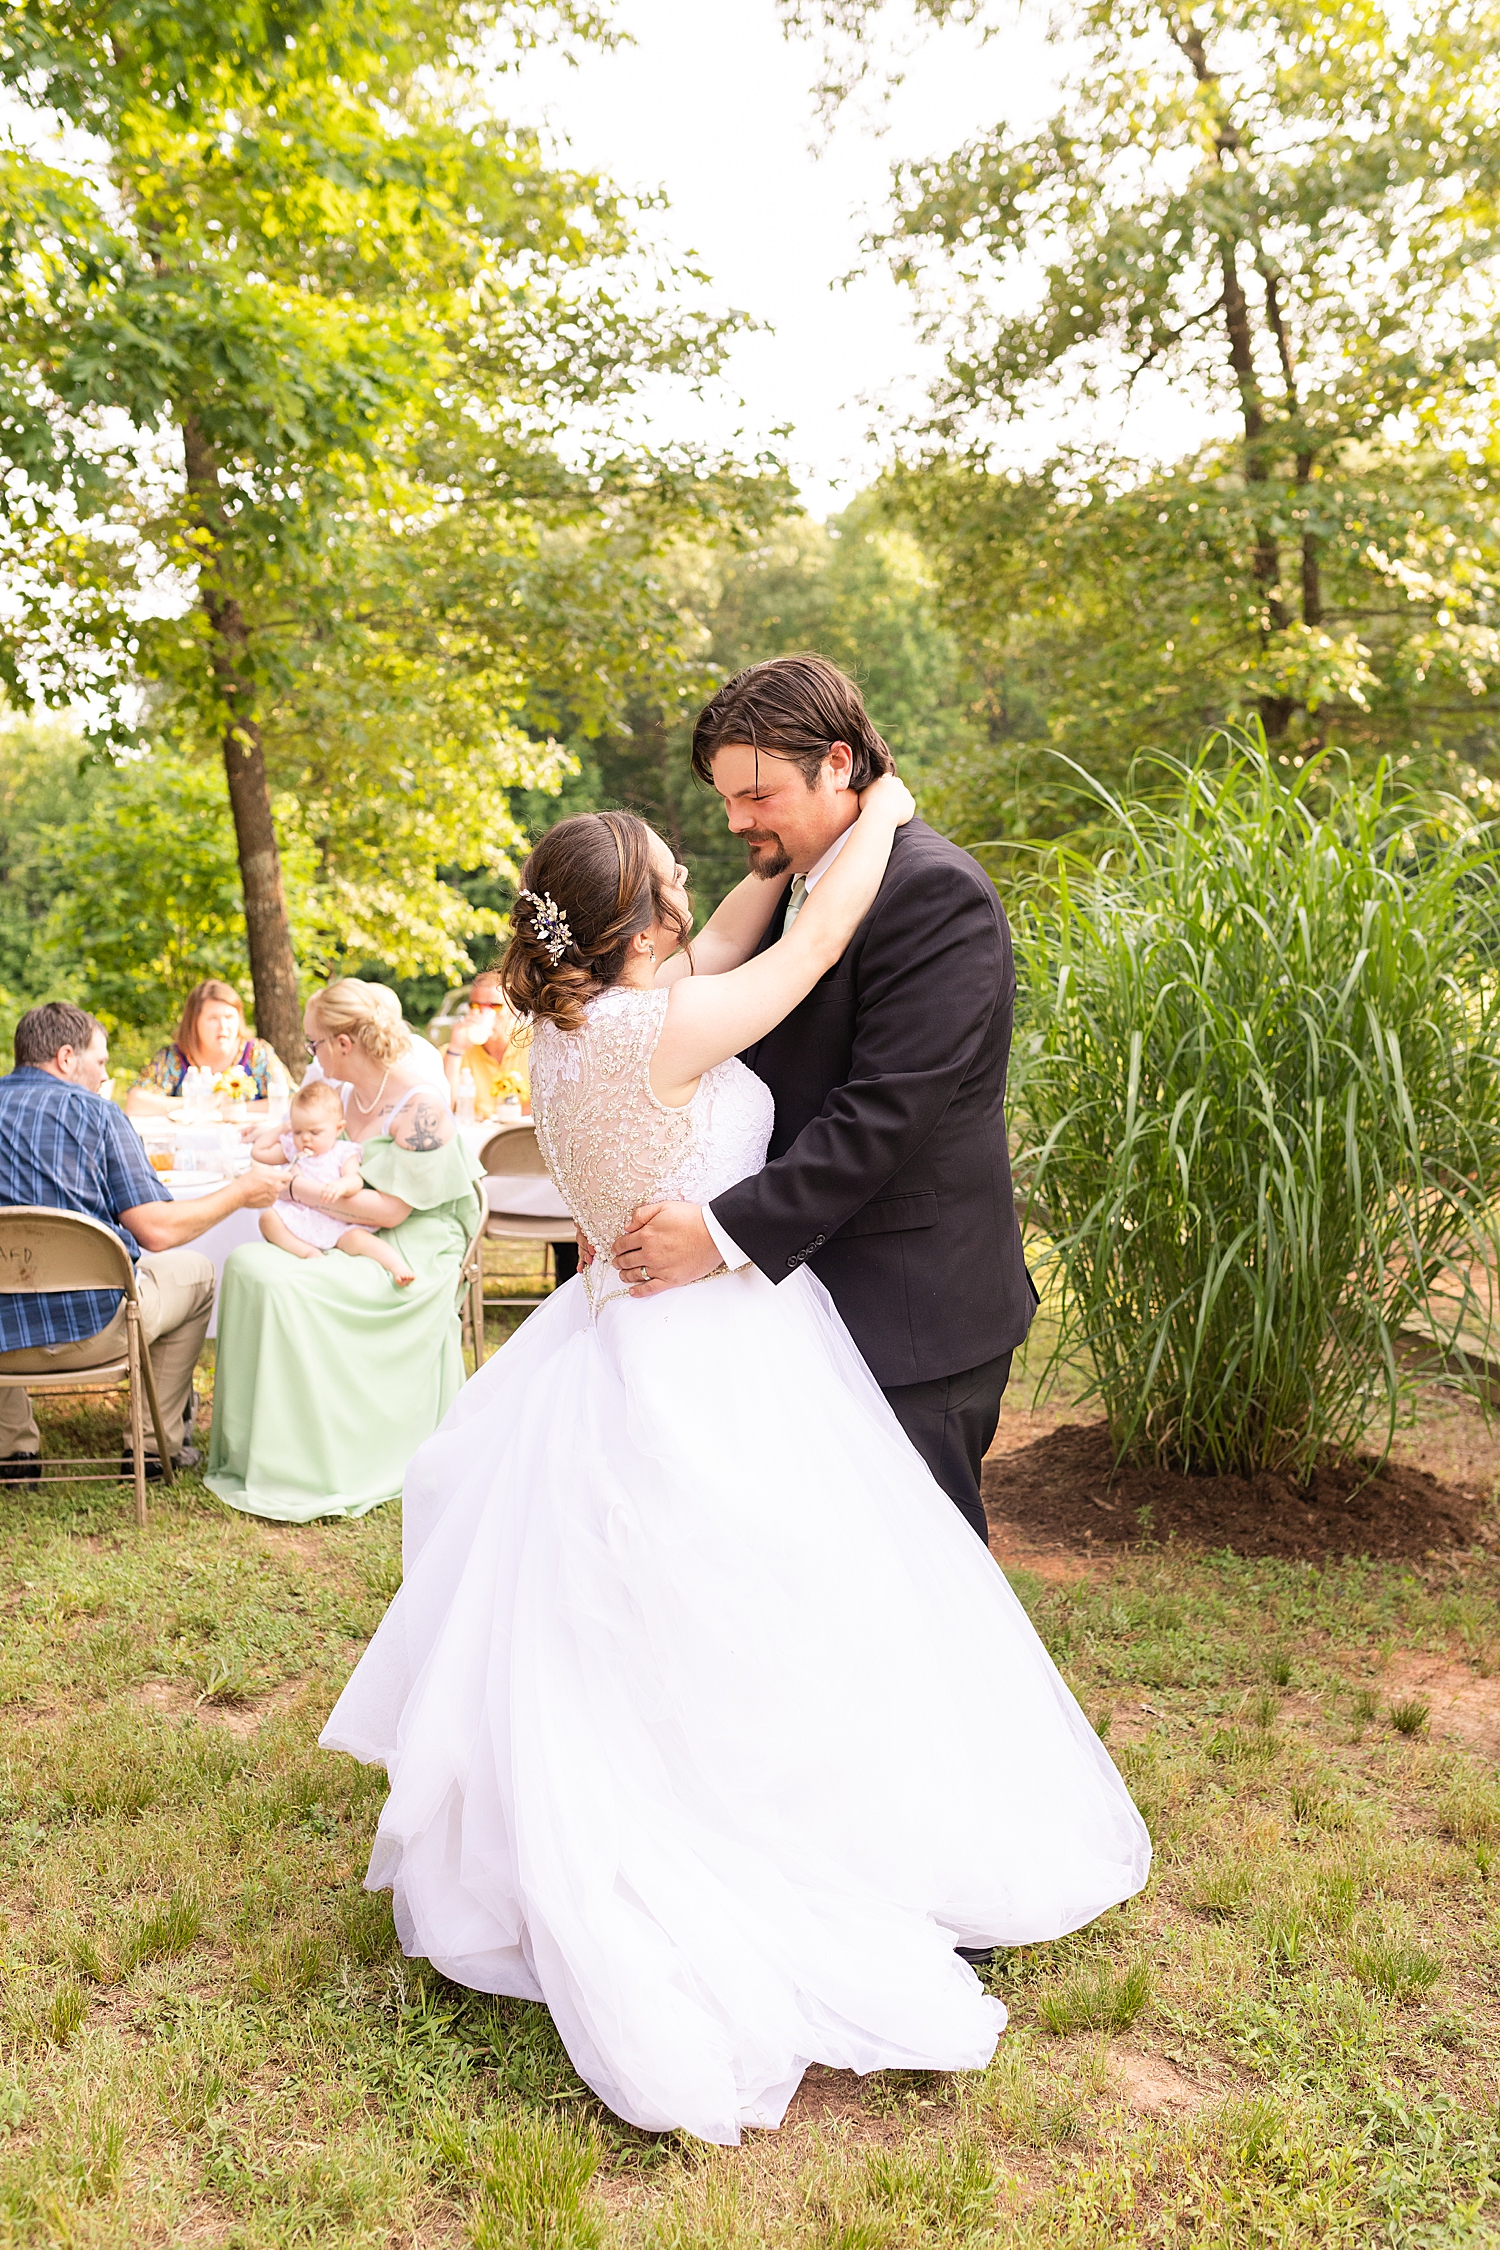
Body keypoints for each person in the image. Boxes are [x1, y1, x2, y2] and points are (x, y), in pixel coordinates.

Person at [321, 798, 1149, 2146]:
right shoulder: (672, 1024)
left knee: (638, 1622)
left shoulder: (567, 1028)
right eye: (672, 868)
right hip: (715, 1342)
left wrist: (764, 863)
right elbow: (814, 941)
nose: (697, 875)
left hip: (607, 1348)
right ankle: (768, 1848)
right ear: (638, 913)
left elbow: (719, 931)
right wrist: (875, 808)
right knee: (775, 1602)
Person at [611, 654, 1037, 1548]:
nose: (736, 821)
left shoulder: (933, 893)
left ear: (838, 764)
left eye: (757, 796)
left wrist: (718, 1233)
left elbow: (880, 1118)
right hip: (790, 1311)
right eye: (727, 798)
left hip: (907, 1314)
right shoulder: (782, 885)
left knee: (917, 1579)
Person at [206, 978, 482, 1521]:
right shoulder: (345, 1099)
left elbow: (390, 1211)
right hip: (341, 1227)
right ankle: (267, 1450)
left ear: (344, 1043)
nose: (311, 1054)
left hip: (410, 1243)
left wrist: (289, 1187)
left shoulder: (419, 1105)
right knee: (248, 1265)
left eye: (314, 1043)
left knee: (288, 1285)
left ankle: (320, 1459)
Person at [0, 1002, 286, 1481]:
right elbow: (157, 1230)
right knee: (195, 1272)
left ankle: (12, 1450)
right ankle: (154, 1448)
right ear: (67, 1058)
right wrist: (239, 1191)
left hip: (3, 1336)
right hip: (92, 1331)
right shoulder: (97, 1115)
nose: (104, 1074)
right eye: (101, 1061)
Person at [249, 1079, 416, 1286]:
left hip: (336, 1220)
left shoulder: (343, 1152)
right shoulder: (294, 1148)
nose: (305, 1139)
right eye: (298, 1131)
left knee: (359, 1240)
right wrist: (282, 1129)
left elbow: (355, 1179)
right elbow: (259, 1152)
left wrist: (342, 1186)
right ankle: (307, 1252)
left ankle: (397, 1266)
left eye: (315, 1132)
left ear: (338, 1129)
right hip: (302, 1216)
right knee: (268, 1219)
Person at [124, 978, 291, 1115]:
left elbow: (292, 1101)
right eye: (213, 1018)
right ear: (194, 1022)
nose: (223, 1026)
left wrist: (237, 1110)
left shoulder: (256, 1053)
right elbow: (136, 1102)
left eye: (229, 1017)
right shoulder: (174, 1057)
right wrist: (203, 1104)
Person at [442, 970, 529, 1118]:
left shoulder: (533, 1044)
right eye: (475, 1006)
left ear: (513, 1009)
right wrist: (455, 1050)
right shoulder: (454, 1051)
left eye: (494, 1006)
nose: (482, 1014)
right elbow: (443, 1109)